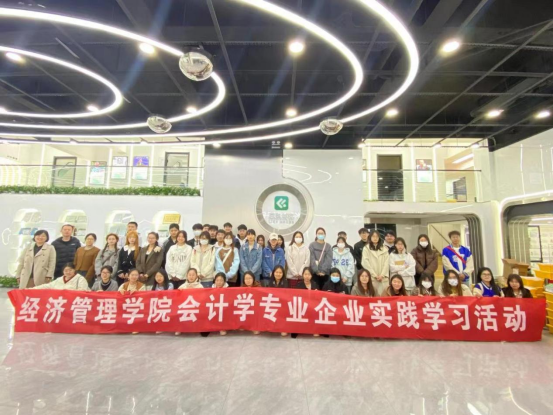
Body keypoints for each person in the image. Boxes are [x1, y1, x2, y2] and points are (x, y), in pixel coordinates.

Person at [361, 230, 390, 296]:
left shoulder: (384, 248)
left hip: (383, 278)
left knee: (385, 296)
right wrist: (374, 275)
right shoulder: (366, 248)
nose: (375, 238)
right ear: (370, 237)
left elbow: (387, 263)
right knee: (373, 296)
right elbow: (365, 263)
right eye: (373, 236)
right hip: (372, 277)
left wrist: (382, 275)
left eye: (377, 236)